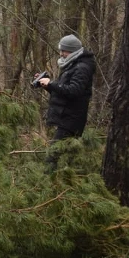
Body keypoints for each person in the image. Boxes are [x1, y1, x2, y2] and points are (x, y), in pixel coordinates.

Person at [37, 34, 96, 163]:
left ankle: (48, 180)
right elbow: (63, 91)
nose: (61, 54)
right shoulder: (72, 65)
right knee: (67, 158)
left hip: (71, 120)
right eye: (61, 50)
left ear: (72, 50)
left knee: (52, 158)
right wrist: (47, 85)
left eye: (64, 51)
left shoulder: (82, 68)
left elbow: (74, 91)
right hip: (66, 118)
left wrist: (52, 84)